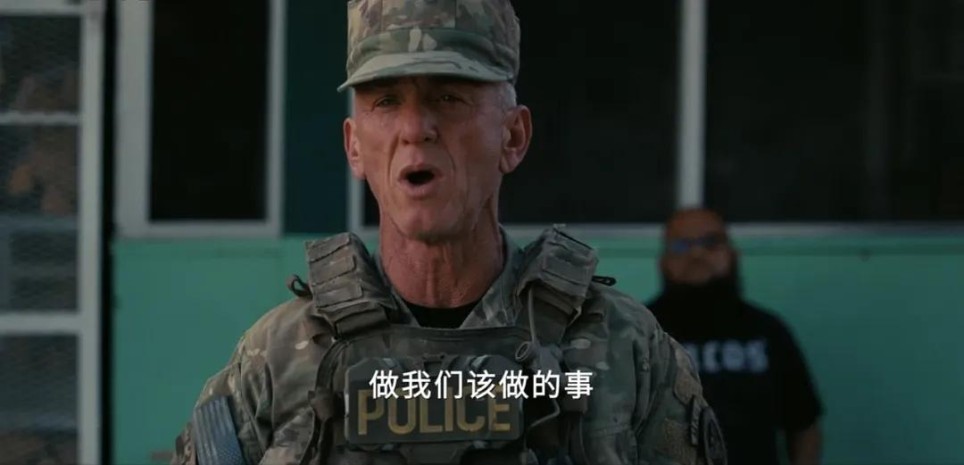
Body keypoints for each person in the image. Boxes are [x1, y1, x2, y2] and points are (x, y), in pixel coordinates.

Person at [170, 2, 726, 464]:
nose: (416, 129)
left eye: (449, 97)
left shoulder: (625, 349)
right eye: (386, 101)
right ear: (355, 146)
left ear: (513, 137)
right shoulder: (277, 358)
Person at [646, 208, 824, 465]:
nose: (697, 254)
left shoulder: (767, 331)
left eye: (711, 242)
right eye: (682, 245)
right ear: (663, 262)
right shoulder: (635, 332)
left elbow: (804, 424)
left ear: (733, 254)